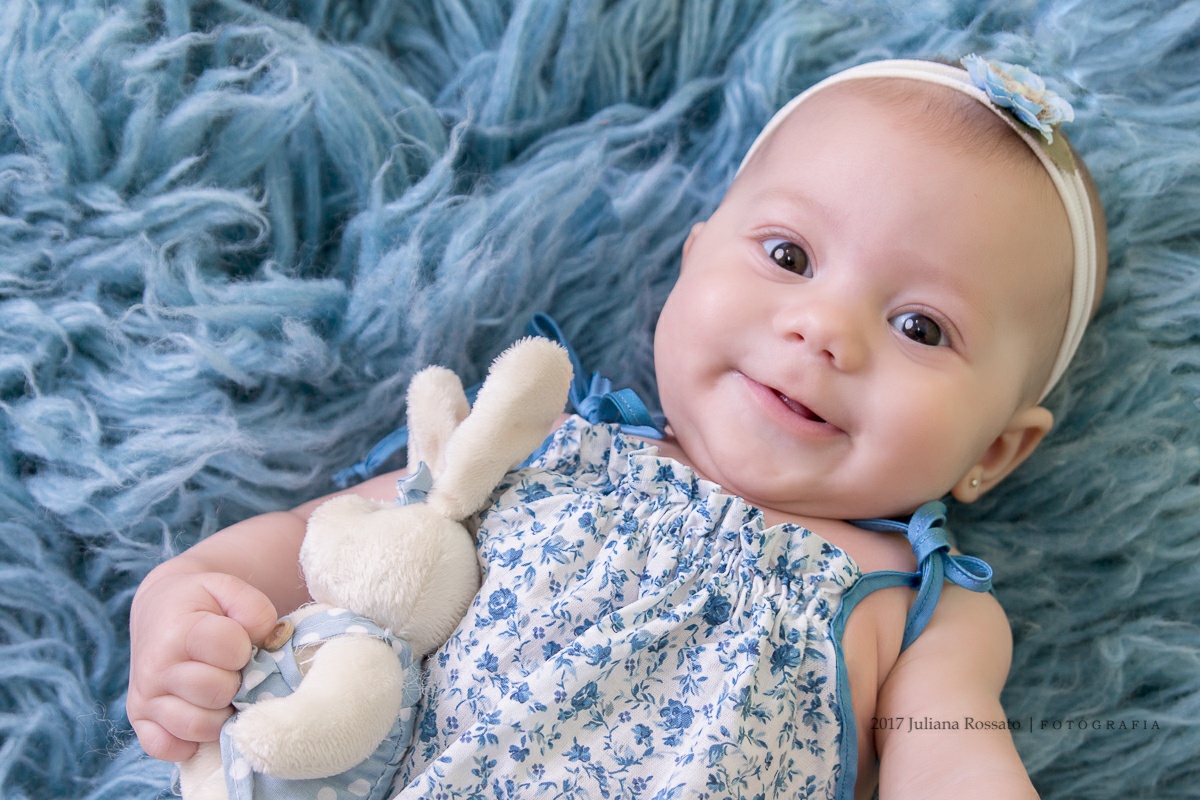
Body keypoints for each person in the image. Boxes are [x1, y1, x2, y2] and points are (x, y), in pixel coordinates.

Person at [127, 57, 1107, 799]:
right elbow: (326, 545)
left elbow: (950, 749)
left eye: (920, 326)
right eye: (789, 254)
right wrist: (183, 604)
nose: (825, 330)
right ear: (690, 261)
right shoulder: (539, 447)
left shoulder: (923, 612)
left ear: (993, 450)